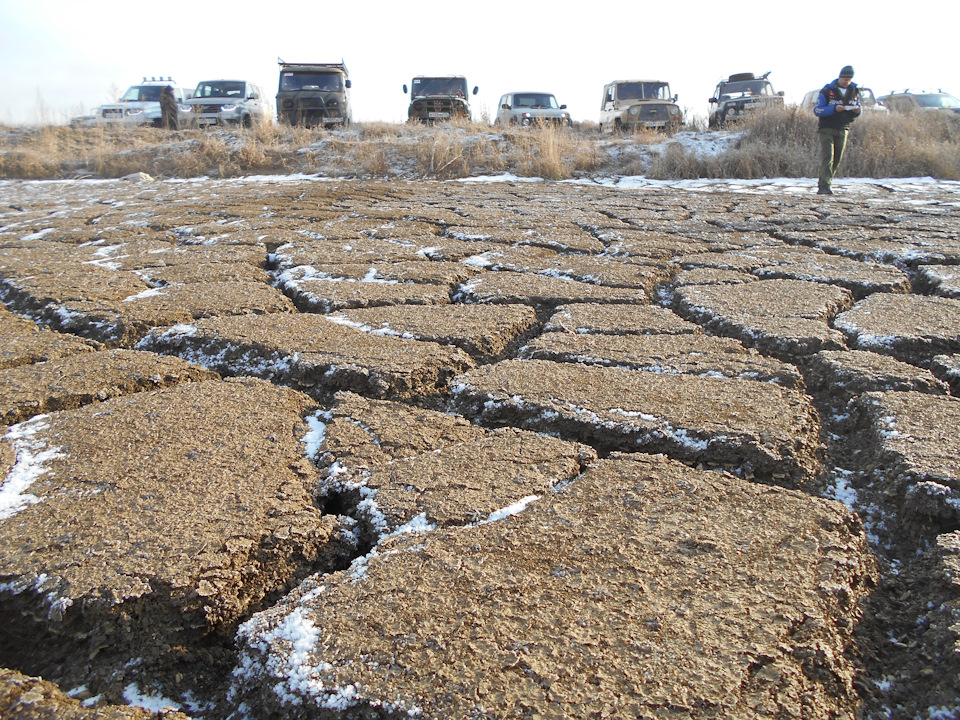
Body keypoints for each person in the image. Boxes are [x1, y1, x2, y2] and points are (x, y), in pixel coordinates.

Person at [814, 66, 862, 195]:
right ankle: (824, 187)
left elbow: (857, 107)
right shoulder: (827, 91)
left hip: (843, 128)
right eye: (845, 78)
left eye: (849, 79)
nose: (846, 81)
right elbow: (818, 110)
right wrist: (834, 109)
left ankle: (825, 182)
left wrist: (857, 111)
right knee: (828, 158)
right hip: (827, 128)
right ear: (840, 77)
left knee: (837, 159)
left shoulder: (855, 90)